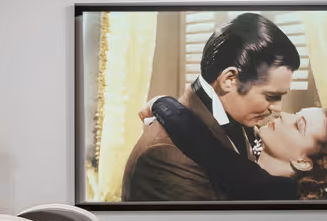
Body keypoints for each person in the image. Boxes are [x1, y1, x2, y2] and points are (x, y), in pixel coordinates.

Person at [121, 11, 301, 202]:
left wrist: (161, 104)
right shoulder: (166, 156)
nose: (278, 109)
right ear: (229, 80)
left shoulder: (242, 122)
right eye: (271, 96)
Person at [145, 98, 327, 199]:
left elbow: (203, 145)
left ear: (302, 161)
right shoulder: (248, 143)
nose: (284, 115)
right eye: (296, 113)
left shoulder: (277, 192)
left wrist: (159, 102)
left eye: (298, 125)